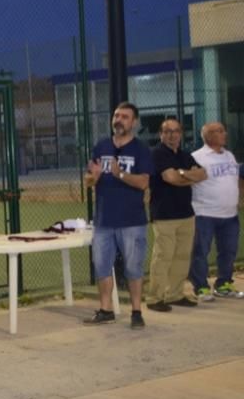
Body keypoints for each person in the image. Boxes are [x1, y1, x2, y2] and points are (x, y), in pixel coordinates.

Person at [83, 102, 153, 329]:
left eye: (124, 116)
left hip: (132, 221)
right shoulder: (101, 146)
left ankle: (136, 311)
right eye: (116, 115)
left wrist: (119, 173)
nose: (118, 120)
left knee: (134, 268)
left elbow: (143, 182)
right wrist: (93, 177)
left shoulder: (141, 149)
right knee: (102, 266)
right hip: (104, 220)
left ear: (134, 122)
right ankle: (106, 310)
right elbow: (89, 181)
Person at [146, 118, 207, 312]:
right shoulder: (157, 154)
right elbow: (169, 178)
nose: (172, 135)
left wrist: (181, 174)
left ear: (181, 134)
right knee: (163, 257)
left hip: (186, 214)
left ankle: (175, 294)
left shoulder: (185, 155)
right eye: (167, 131)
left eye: (176, 131)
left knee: (182, 257)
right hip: (164, 214)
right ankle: (155, 298)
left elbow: (203, 174)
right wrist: (188, 175)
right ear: (161, 135)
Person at [189, 122, 244, 300]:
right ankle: (201, 287)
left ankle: (224, 284)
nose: (225, 134)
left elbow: (235, 179)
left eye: (223, 131)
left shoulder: (229, 156)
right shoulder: (197, 157)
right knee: (201, 251)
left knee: (228, 251)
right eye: (220, 131)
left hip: (229, 214)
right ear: (209, 136)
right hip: (205, 213)